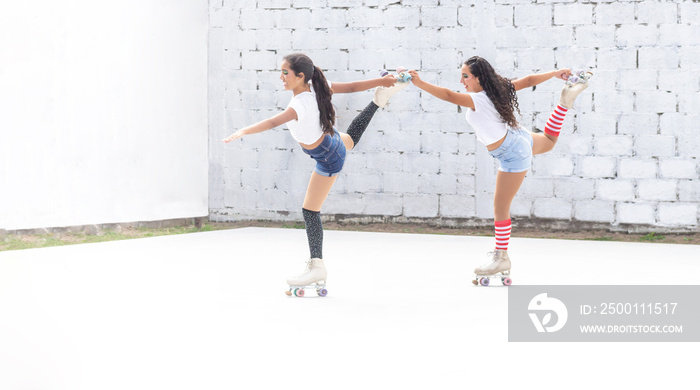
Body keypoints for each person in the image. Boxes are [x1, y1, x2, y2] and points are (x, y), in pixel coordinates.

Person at [222, 53, 406, 295]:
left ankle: (317, 266)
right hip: (330, 142)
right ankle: (378, 101)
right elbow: (351, 87)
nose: (281, 77)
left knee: (310, 210)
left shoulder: (300, 104)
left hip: (328, 157)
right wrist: (381, 81)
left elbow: (271, 122)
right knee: (349, 140)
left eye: (285, 73)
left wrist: (244, 130)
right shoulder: (318, 88)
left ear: (300, 76)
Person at [408, 57, 591, 283]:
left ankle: (501, 257)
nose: (461, 80)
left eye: (466, 76)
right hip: (517, 137)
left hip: (512, 152)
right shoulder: (497, 89)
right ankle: (564, 103)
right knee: (549, 141)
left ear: (478, 77)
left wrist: (420, 83)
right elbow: (529, 80)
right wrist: (555, 73)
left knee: (500, 208)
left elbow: (447, 95)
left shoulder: (477, 99)